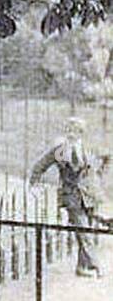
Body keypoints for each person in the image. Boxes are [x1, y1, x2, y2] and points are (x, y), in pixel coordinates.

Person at [29, 117, 104, 278]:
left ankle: (81, 267)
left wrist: (98, 176)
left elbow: (106, 158)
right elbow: (40, 165)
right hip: (71, 196)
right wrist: (33, 184)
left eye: (75, 131)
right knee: (84, 230)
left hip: (90, 195)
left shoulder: (89, 148)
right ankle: (96, 265)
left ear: (81, 133)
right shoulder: (60, 150)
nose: (71, 133)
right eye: (69, 130)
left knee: (85, 230)